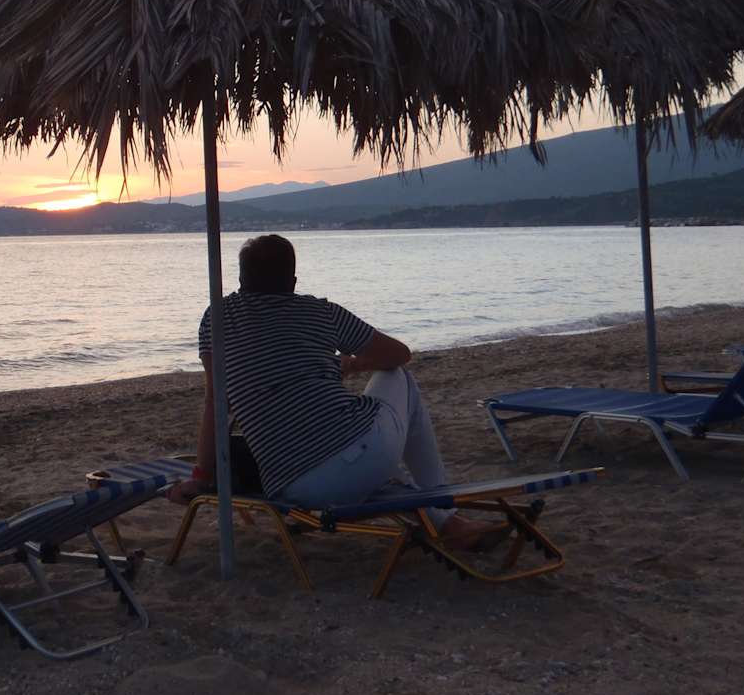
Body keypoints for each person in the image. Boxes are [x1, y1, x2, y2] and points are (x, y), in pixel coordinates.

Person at [169, 234, 502, 550]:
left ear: (241, 278)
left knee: (353, 436)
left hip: (297, 489)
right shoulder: (322, 313)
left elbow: (216, 401)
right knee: (399, 377)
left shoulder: (216, 319)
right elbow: (398, 354)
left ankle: (446, 520)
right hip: (365, 459)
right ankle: (445, 512)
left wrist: (201, 476)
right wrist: (351, 364)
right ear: (293, 282)